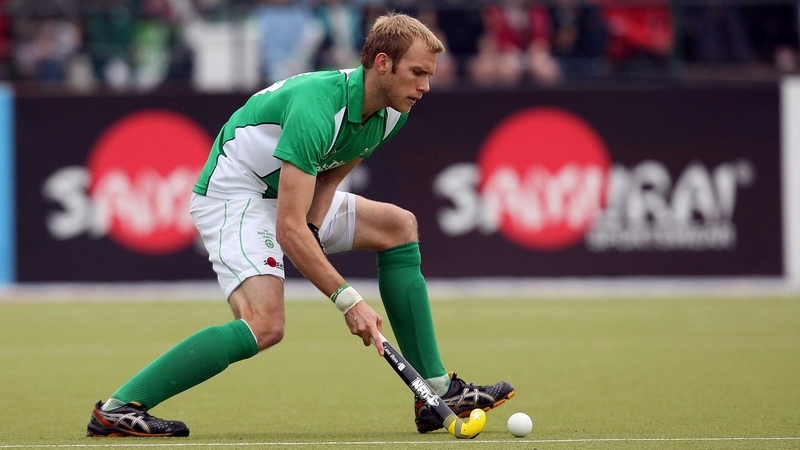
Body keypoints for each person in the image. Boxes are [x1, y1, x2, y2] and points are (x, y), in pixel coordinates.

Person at [86, 12, 515, 438]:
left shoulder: (391, 110)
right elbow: (287, 228)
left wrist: (313, 229)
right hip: (235, 196)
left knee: (398, 226)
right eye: (417, 73)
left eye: (429, 75)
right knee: (264, 324)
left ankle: (436, 392)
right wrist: (348, 300)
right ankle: (119, 408)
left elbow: (327, 179)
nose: (425, 86)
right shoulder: (317, 105)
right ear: (382, 63)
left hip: (289, 195)